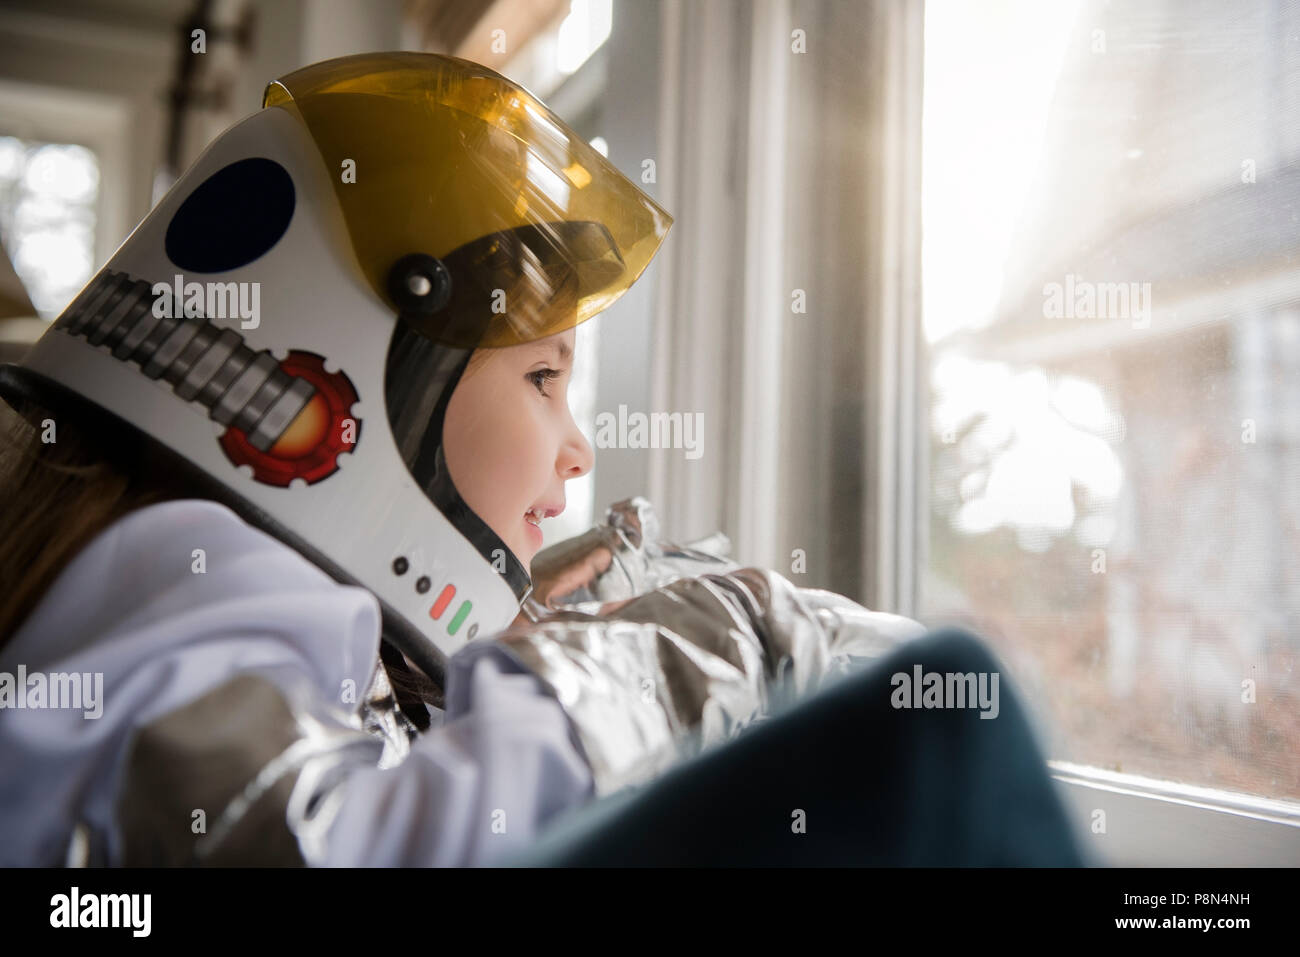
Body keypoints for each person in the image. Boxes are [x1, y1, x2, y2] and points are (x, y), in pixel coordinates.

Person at [0, 52, 1088, 868]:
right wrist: (711, 643)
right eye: (541, 379)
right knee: (951, 724)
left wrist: (476, 665)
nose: (577, 448)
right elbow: (311, 850)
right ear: (336, 388)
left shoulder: (139, 579)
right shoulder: (197, 566)